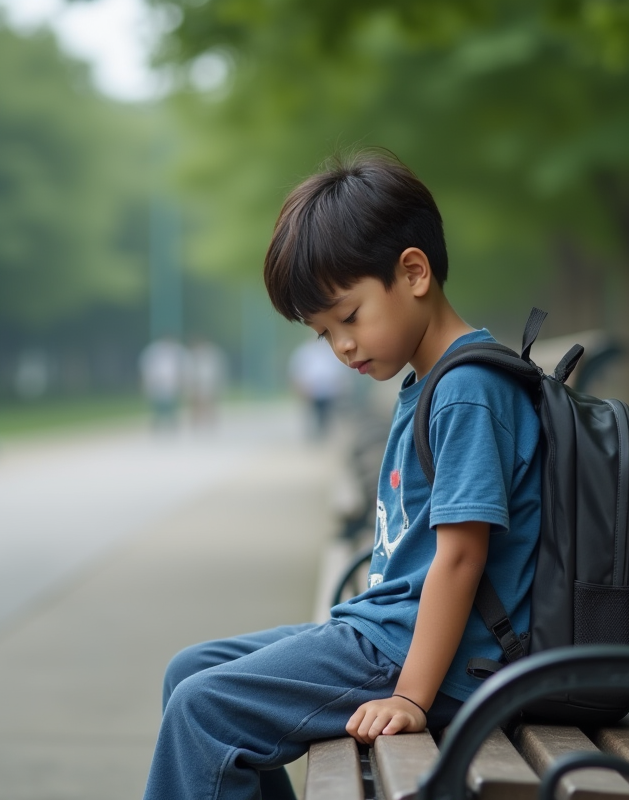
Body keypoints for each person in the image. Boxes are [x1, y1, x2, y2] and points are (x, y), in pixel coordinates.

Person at [142, 151, 542, 800]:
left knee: (202, 711)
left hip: (421, 658)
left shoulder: (467, 390)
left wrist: (412, 696)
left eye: (349, 318)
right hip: (383, 631)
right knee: (190, 670)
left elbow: (462, 557)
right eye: (323, 334)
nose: (342, 347)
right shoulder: (434, 382)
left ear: (413, 272)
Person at [288, 337, 348, 438]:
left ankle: (323, 433)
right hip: (311, 389)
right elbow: (297, 370)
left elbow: (339, 372)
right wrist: (300, 387)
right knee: (312, 413)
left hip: (328, 390)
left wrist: (339, 387)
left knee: (326, 413)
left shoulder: (331, 352)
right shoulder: (305, 352)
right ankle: (314, 434)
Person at [139, 337, 187, 428]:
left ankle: (172, 424)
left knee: (172, 405)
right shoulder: (153, 351)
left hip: (172, 383)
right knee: (158, 405)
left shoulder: (176, 351)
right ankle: (159, 423)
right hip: (158, 383)